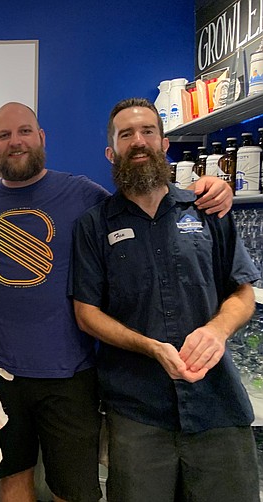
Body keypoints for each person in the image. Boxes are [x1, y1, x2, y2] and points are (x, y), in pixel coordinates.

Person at [0, 102, 233, 502]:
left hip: (71, 373)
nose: (16, 142)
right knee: (12, 482)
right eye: (4, 135)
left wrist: (209, 187)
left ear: (42, 138)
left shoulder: (82, 193)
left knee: (75, 491)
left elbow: (141, 201)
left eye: (25, 131)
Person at [71, 97, 260, 502]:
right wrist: (150, 347)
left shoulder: (207, 209)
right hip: (137, 412)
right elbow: (86, 314)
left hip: (218, 406)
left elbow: (243, 292)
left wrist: (217, 330)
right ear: (112, 152)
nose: (138, 141)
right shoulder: (94, 225)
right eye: (126, 135)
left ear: (163, 144)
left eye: (147, 132)